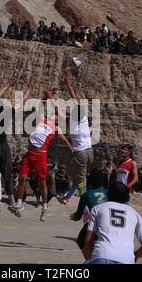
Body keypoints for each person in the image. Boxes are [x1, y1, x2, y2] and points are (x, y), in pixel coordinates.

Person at [16, 94, 73, 222]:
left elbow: (64, 138)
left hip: (41, 155)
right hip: (30, 152)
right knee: (22, 177)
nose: (54, 115)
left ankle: (45, 207)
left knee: (42, 182)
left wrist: (70, 147)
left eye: (56, 115)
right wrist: (44, 97)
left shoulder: (56, 127)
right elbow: (39, 107)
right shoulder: (43, 120)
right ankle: (19, 203)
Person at [0, 76, 35, 218]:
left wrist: (7, 85)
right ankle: (12, 202)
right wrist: (28, 90)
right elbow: (20, 103)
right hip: (1, 146)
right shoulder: (6, 114)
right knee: (7, 174)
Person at [83, 180, 142, 264]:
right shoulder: (135, 214)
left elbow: (88, 241)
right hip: (127, 259)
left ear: (108, 194)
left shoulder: (98, 208)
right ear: (127, 196)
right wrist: (134, 255)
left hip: (102, 254)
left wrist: (90, 258)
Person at [61, 72, 94, 204]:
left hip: (80, 153)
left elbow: (58, 112)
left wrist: (50, 98)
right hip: (90, 151)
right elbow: (75, 99)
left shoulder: (70, 125)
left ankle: (85, 201)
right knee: (79, 177)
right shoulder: (84, 118)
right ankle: (67, 197)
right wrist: (68, 84)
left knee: (80, 180)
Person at [70, 169, 108, 255]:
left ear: (90, 181)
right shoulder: (108, 192)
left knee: (80, 240)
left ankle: (90, 259)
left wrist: (75, 217)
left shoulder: (86, 195)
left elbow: (78, 215)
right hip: (109, 223)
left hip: (95, 224)